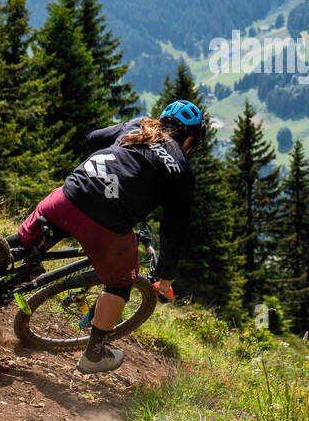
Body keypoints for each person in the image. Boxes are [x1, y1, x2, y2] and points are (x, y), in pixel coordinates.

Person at [11, 100, 200, 374]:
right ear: (190, 139)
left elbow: (92, 139)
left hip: (69, 195)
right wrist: (165, 277)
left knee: (18, 245)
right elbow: (175, 229)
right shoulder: (182, 170)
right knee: (122, 282)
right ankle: (95, 354)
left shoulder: (138, 126)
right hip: (107, 222)